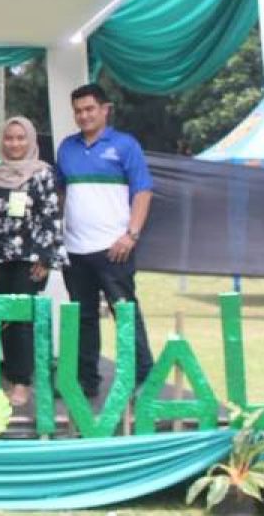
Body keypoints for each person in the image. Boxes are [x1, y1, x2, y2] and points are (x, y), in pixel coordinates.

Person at [56, 83, 154, 396]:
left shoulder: (126, 145)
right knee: (83, 319)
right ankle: (86, 381)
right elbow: (61, 194)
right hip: (75, 250)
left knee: (125, 314)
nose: (83, 116)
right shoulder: (66, 147)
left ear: (105, 109)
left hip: (115, 249)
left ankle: (143, 380)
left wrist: (131, 235)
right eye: (78, 111)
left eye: (89, 109)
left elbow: (143, 191)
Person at [0, 116, 64, 407]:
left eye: (21, 138)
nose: (15, 144)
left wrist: (44, 256)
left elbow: (51, 216)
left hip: (30, 260)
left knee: (22, 322)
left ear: (31, 140)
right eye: (9, 138)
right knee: (3, 321)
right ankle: (11, 375)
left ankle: (22, 382)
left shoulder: (42, 174)